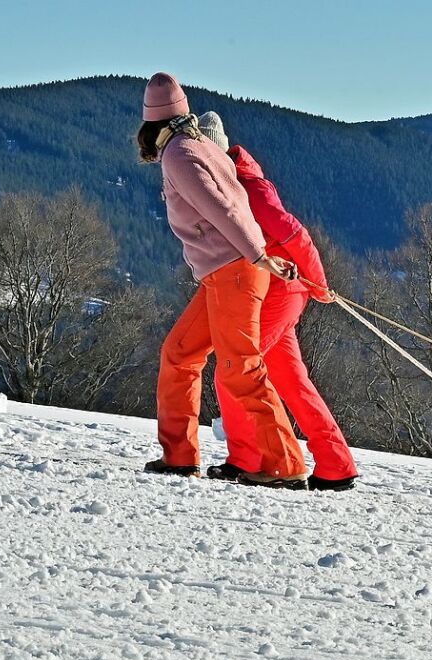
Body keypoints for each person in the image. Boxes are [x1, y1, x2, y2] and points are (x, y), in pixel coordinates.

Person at [136, 73, 308, 489]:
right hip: (224, 275)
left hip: (235, 273)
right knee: (179, 354)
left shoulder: (180, 154)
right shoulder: (196, 146)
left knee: (240, 368)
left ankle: (285, 464)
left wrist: (259, 256)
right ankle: (179, 457)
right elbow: (238, 201)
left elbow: (222, 209)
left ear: (150, 123)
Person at [196, 111, 358, 491]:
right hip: (276, 290)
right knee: (291, 379)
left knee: (234, 369)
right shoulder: (231, 184)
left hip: (280, 290)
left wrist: (318, 285)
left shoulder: (250, 188)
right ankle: (336, 464)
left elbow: (296, 236)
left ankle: (249, 459)